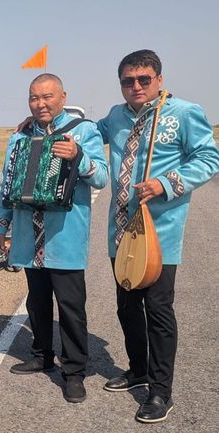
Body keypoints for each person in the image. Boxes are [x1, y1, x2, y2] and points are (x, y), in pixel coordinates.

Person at [97, 50, 219, 423]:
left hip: (159, 233)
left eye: (143, 79)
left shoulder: (183, 113)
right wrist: (47, 121)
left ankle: (161, 392)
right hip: (121, 229)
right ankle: (138, 369)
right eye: (128, 81)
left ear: (159, 79)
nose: (136, 86)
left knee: (159, 311)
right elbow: (90, 132)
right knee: (126, 306)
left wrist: (166, 183)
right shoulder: (116, 116)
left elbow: (209, 158)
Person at [0, 74, 108, 403]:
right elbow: (8, 185)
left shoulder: (84, 131)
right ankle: (41, 354)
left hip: (64, 237)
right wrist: (1, 226)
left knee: (71, 307)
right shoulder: (20, 136)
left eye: (47, 96)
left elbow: (101, 175)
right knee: (37, 301)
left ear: (63, 96)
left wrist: (79, 156)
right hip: (30, 237)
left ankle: (74, 372)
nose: (40, 103)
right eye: (34, 97)